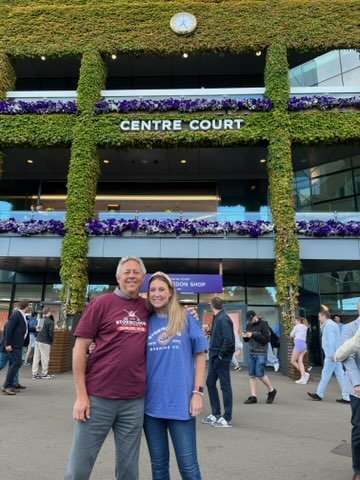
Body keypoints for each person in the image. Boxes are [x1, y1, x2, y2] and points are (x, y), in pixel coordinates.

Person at [64, 256, 149, 480]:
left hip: (133, 401)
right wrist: (81, 396)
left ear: (143, 277)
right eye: (127, 271)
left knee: (129, 470)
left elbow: (171, 319)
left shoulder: (146, 308)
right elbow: (79, 348)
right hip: (98, 399)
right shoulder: (102, 303)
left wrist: (188, 314)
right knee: (78, 470)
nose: (131, 275)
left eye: (136, 272)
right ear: (118, 277)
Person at [143, 272, 207, 480]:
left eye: (161, 289)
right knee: (159, 468)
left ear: (170, 292)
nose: (157, 293)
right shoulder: (146, 321)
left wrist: (197, 392)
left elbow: (200, 356)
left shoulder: (186, 318)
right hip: (151, 406)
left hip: (181, 403)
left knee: (188, 467)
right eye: (152, 290)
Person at [335, 303, 360, 480]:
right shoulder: (350, 328)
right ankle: (358, 469)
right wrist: (357, 383)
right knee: (359, 428)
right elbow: (346, 357)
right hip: (358, 387)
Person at [201, 297, 235, 428]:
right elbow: (222, 337)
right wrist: (210, 332)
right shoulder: (218, 318)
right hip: (215, 356)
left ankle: (227, 417)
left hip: (221, 358)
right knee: (210, 383)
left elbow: (229, 340)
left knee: (225, 386)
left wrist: (221, 355)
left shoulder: (223, 319)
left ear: (211, 305)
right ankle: (216, 414)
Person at [308, 310, 350, 403]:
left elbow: (331, 341)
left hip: (331, 355)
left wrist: (331, 354)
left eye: (319, 317)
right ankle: (347, 397)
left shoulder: (329, 325)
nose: (319, 319)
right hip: (335, 354)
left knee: (326, 374)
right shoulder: (331, 324)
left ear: (324, 316)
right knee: (340, 375)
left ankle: (319, 394)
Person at [243, 311, 277, 405]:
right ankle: (253, 396)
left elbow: (266, 339)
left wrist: (253, 334)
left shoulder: (263, 324)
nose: (250, 321)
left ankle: (272, 390)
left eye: (251, 319)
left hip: (261, 352)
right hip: (251, 351)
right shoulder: (248, 325)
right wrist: (245, 336)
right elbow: (246, 340)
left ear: (255, 316)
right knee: (252, 375)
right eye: (249, 320)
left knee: (260, 374)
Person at [2, 300, 30, 395]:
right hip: (13, 344)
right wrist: (8, 344)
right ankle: (6, 386)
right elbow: (9, 330)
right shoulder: (16, 314)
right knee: (17, 362)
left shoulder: (20, 314)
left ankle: (11, 385)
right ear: (26, 307)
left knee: (13, 363)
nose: (29, 308)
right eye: (28, 306)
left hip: (18, 344)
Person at [32, 307, 55, 379]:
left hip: (38, 340)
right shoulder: (50, 322)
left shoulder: (40, 320)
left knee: (36, 357)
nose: (50, 313)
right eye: (50, 311)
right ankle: (45, 373)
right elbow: (50, 333)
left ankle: (34, 373)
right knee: (45, 358)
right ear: (48, 312)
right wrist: (51, 340)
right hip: (45, 341)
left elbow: (37, 330)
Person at [0, 321, 24, 391]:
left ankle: (15, 383)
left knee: (15, 365)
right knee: (1, 364)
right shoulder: (10, 323)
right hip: (6, 348)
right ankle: (13, 383)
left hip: (14, 348)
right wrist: (7, 345)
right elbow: (7, 336)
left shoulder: (18, 323)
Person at [290, 317, 310, 385]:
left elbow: (291, 334)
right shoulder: (305, 327)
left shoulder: (297, 326)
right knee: (300, 361)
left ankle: (304, 375)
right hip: (304, 344)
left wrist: (294, 329)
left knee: (292, 361)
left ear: (298, 321)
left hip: (298, 344)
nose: (294, 322)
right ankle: (303, 377)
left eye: (295, 320)